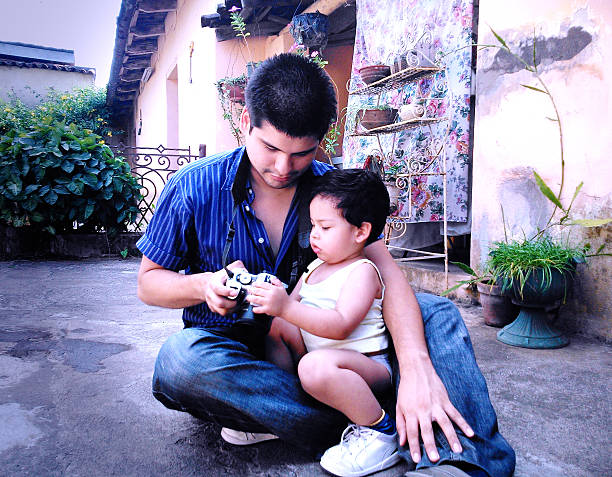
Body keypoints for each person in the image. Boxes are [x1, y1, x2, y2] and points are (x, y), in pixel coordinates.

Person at [136, 53, 515, 477]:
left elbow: (385, 273)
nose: (283, 168)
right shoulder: (193, 187)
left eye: (301, 153)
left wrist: (415, 365)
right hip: (242, 359)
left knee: (436, 312)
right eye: (270, 147)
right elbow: (149, 283)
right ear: (245, 121)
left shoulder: (330, 187)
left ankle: (466, 460)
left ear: (322, 138)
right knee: (179, 363)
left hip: (332, 348)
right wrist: (203, 285)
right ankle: (382, 423)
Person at [248, 168, 400, 476]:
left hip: (364, 367)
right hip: (321, 361)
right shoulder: (316, 266)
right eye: (313, 225)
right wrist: (268, 293)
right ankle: (284, 404)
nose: (314, 235)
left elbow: (341, 324)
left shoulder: (363, 272)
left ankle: (380, 430)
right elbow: (290, 310)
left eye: (326, 227)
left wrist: (286, 309)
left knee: (312, 364)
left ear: (360, 231)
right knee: (278, 327)